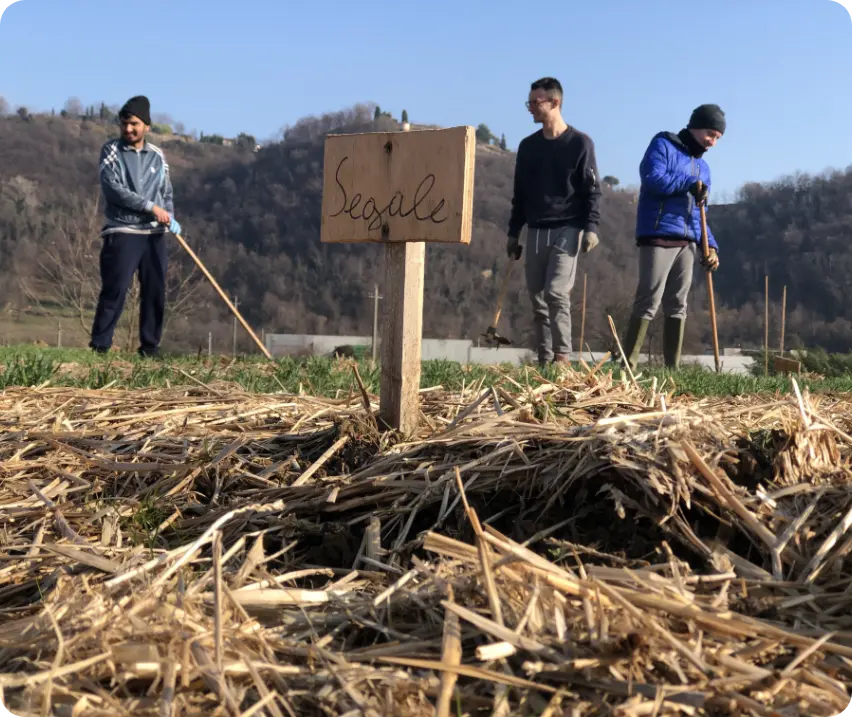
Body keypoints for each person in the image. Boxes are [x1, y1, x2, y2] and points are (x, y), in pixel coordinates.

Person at [618, 103, 725, 372]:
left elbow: (699, 214)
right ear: (696, 126)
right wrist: (687, 183)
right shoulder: (663, 144)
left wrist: (710, 246)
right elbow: (652, 178)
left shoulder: (704, 168)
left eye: (717, 138)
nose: (712, 142)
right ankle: (628, 364)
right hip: (658, 235)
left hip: (687, 242)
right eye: (710, 134)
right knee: (648, 300)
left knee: (678, 304)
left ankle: (672, 369)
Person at [506, 77, 602, 367]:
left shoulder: (580, 144)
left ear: (555, 102)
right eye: (528, 103)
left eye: (535, 103)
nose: (530, 108)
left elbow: (592, 190)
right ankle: (545, 361)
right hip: (536, 229)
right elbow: (520, 194)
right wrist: (514, 233)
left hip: (567, 228)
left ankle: (563, 358)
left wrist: (591, 228)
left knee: (556, 293)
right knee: (537, 299)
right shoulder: (528, 147)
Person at [89, 95, 181, 357]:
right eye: (124, 124)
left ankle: (150, 347)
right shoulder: (111, 151)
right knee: (116, 288)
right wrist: (150, 207)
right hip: (123, 230)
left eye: (134, 124)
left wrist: (169, 216)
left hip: (154, 233)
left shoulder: (157, 156)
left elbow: (166, 192)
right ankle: (100, 345)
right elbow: (113, 188)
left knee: (155, 290)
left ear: (146, 127)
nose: (128, 129)